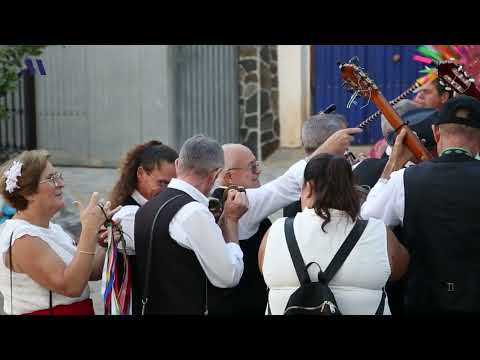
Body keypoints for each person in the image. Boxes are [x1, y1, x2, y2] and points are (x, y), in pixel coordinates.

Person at [361, 95, 480, 314]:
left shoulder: (403, 181)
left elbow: (367, 221)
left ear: (436, 133)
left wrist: (393, 164)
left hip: (423, 301)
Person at [258, 154, 409, 315]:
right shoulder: (378, 233)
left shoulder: (275, 232)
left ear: (308, 188)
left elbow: (263, 268)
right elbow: (400, 270)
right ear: (352, 190)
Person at [134, 135, 249, 315]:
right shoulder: (194, 212)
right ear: (215, 174)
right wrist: (232, 222)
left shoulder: (146, 208)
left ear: (178, 164)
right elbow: (229, 276)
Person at [0, 150, 119, 315]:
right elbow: (71, 286)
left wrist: (103, 242)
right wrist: (88, 231)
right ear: (28, 193)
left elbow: (88, 272)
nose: (61, 183)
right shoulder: (22, 238)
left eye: (58, 176)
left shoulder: (52, 228)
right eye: (51, 178)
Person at [101, 140, 178, 315]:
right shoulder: (128, 214)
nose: (169, 191)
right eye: (163, 183)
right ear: (141, 173)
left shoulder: (150, 206)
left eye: (174, 185)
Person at [208, 144, 269, 315]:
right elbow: (282, 189)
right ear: (229, 176)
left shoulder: (262, 220)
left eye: (257, 165)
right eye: (252, 167)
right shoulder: (246, 209)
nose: (258, 171)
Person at [282, 112, 348, 218]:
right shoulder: (339, 185)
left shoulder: (291, 188)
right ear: (333, 143)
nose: (347, 149)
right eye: (345, 142)